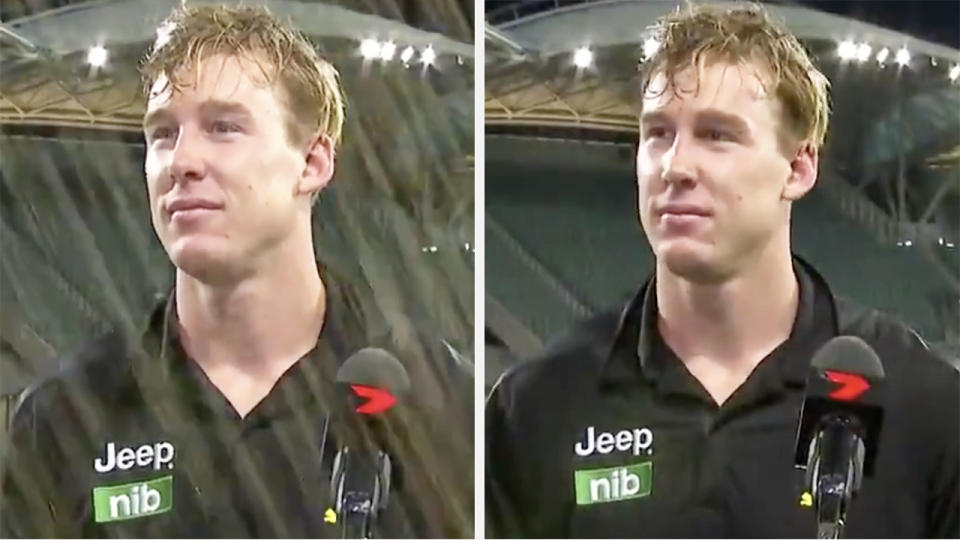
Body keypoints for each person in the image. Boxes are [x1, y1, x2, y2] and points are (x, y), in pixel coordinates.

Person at [486, 3, 958, 538]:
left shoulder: (922, 404)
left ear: (799, 167)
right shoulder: (537, 406)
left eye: (717, 135)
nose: (675, 167)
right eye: (658, 133)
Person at [1, 5, 471, 538]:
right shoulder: (63, 421)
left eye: (223, 127)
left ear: (313, 163)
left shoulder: (444, 407)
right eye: (162, 134)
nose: (182, 161)